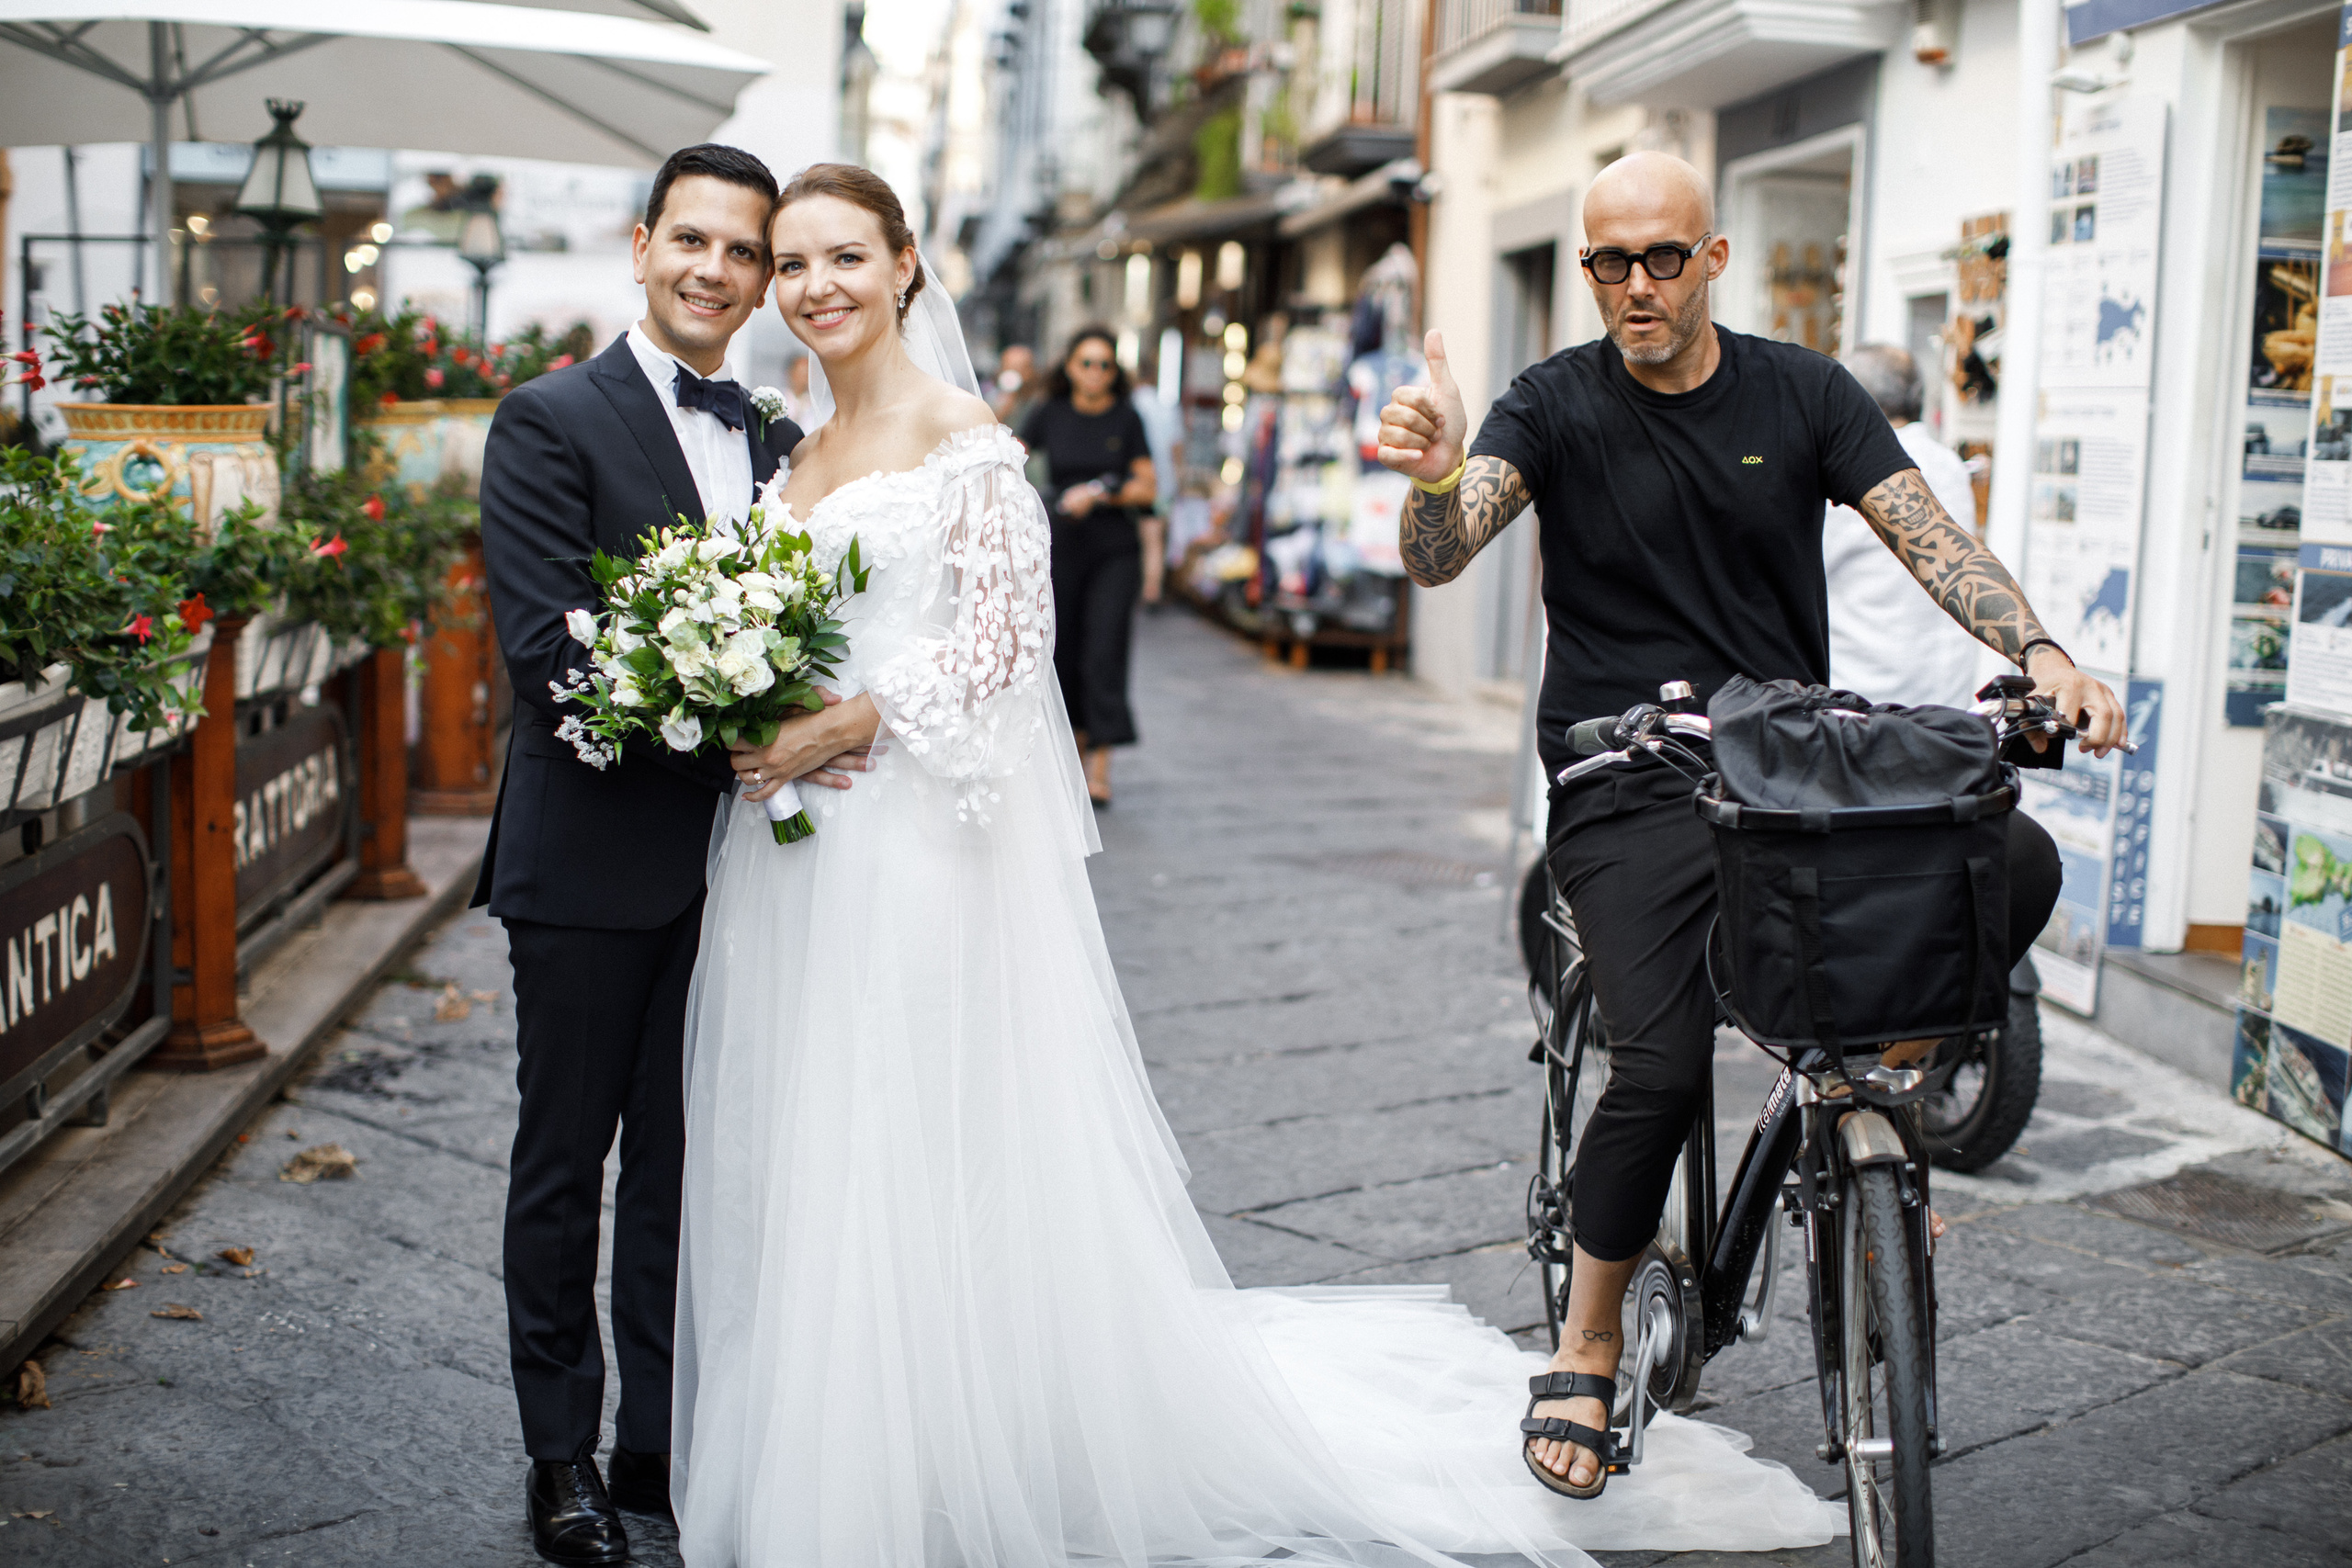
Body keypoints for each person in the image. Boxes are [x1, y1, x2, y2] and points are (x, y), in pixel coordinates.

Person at [681, 162, 1842, 1567]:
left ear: (907, 264)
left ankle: (962, 1440)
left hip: (910, 843)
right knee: (818, 1143)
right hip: (800, 854)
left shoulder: (969, 437)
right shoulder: (789, 449)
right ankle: (855, 1432)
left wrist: (837, 725)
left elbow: (1000, 645)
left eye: (845, 257)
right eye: (792, 263)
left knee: (918, 1135)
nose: (816, 287)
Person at [1374, 150, 2124, 1500]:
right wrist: (1435, 472)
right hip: (1624, 772)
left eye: (1665, 257)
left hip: (1782, 752)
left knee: (2008, 858)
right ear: (1591, 267)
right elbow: (1442, 550)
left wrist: (2048, 650)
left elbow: (1931, 539)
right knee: (1657, 1064)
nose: (1638, 285)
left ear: (1715, 257)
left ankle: (1870, 1073)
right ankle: (1590, 1335)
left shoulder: (1805, 392)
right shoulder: (1554, 401)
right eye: (1611, 262)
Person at [474, 143, 843, 1568]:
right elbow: (541, 649)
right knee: (567, 1164)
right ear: (639, 248)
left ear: (762, 277)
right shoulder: (548, 417)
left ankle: (660, 1441)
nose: (713, 269)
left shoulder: (770, 433)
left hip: (744, 872)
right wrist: (743, 729)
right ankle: (559, 1454)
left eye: (742, 251)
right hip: (585, 863)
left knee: (695, 1170)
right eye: (689, 240)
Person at [1020, 327, 1156, 806]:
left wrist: (1102, 493)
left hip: (1113, 549)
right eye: (1086, 362)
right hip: (1060, 546)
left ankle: (1100, 765)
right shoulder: (1049, 412)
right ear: (1069, 367)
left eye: (1104, 364)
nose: (1095, 372)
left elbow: (1148, 487)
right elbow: (1009, 454)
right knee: (1064, 650)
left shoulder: (1128, 417)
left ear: (1115, 372)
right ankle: (1071, 757)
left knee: (1104, 649)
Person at [1824, 343, 1988, 706]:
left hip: (1864, 703)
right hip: (1945, 699)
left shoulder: (1853, 469)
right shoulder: (1947, 464)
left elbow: (1794, 568)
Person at [990, 341, 1038, 424]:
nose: (1011, 373)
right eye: (1007, 367)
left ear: (1030, 371)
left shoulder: (1039, 403)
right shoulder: (991, 399)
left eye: (1017, 368)